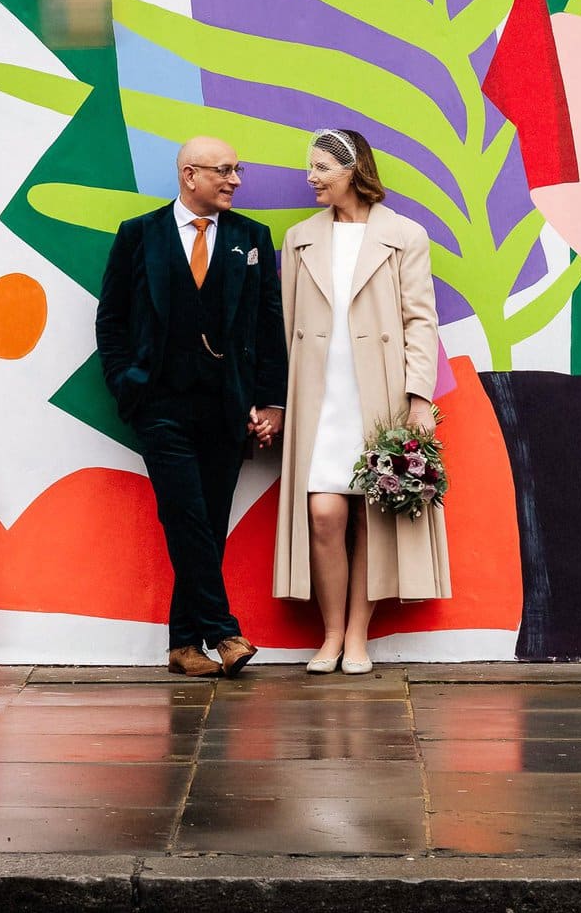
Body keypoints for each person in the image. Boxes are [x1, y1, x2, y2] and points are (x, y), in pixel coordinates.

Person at [96, 136, 287, 678]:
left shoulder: (252, 237)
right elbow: (111, 321)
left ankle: (183, 646)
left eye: (237, 169)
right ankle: (223, 632)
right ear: (189, 176)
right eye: (224, 170)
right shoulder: (140, 235)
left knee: (205, 526)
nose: (235, 180)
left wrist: (272, 402)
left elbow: (268, 327)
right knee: (185, 514)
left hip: (227, 410)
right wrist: (126, 382)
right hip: (160, 407)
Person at [272, 128, 450, 674]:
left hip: (380, 392)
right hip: (320, 394)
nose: (312, 177)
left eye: (322, 167)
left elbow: (421, 318)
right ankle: (328, 634)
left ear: (354, 169)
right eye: (311, 167)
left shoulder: (404, 235)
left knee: (375, 514)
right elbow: (285, 323)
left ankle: (355, 638)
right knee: (324, 513)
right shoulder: (300, 238)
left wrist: (419, 398)